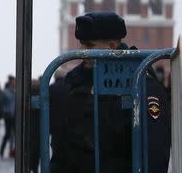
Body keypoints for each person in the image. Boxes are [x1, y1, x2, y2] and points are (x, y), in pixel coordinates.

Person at [51, 11, 171, 173]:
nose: (81, 51)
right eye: (81, 44)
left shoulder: (142, 83)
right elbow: (62, 146)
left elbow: (155, 151)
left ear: (112, 47)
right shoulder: (75, 82)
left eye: (89, 45)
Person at [0, 75, 16, 158]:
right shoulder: (5, 92)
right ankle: (1, 152)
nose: (14, 83)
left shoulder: (17, 91)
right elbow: (1, 103)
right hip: (8, 115)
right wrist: (4, 111)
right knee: (7, 134)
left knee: (16, 135)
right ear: (9, 82)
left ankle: (12, 151)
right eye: (13, 81)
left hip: (15, 115)